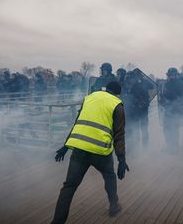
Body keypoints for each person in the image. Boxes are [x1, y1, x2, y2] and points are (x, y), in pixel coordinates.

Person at [51, 81, 129, 223]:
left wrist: (66, 146)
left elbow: (78, 123)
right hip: (100, 151)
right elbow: (119, 135)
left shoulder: (89, 97)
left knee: (68, 187)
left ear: (106, 89)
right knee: (110, 177)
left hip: (80, 149)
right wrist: (121, 159)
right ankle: (113, 206)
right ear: (118, 93)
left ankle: (57, 222)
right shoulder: (117, 104)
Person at [122, 71, 151, 151]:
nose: (129, 80)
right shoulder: (127, 87)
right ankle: (135, 147)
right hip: (133, 112)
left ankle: (145, 147)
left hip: (143, 112)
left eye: (130, 78)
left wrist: (140, 104)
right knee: (135, 129)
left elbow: (146, 99)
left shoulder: (141, 86)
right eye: (127, 78)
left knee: (144, 129)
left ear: (134, 79)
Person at [161, 67, 183, 153]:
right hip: (168, 110)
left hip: (176, 111)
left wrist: (174, 104)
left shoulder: (180, 84)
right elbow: (164, 95)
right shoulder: (167, 84)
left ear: (176, 75)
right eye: (169, 75)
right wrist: (163, 102)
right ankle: (169, 146)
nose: (170, 76)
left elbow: (182, 98)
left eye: (171, 75)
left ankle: (175, 148)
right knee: (166, 129)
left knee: (174, 129)